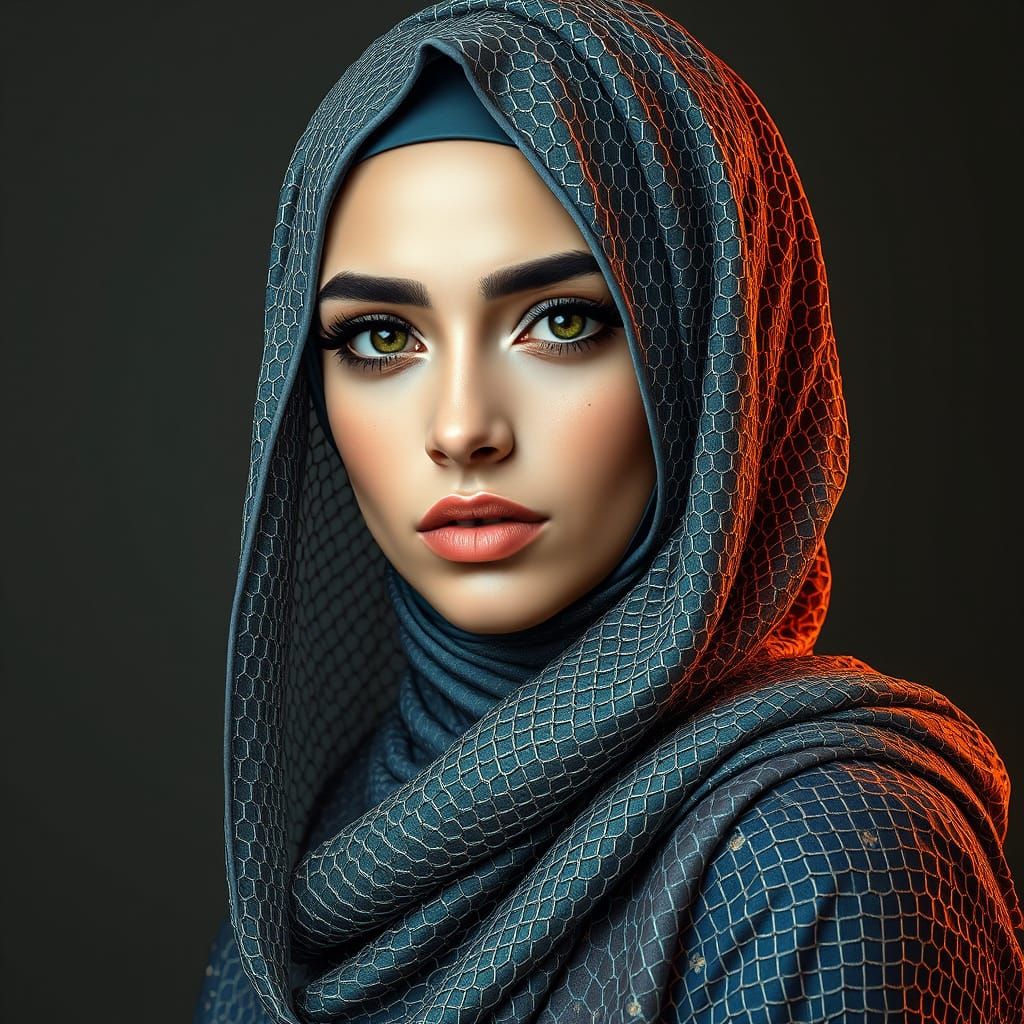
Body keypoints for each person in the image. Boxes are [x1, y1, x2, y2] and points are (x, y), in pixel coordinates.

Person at [194, 3, 1024, 1022]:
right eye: (378, 338)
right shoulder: (322, 845)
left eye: (560, 321)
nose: (460, 428)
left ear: (712, 348)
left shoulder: (821, 854)